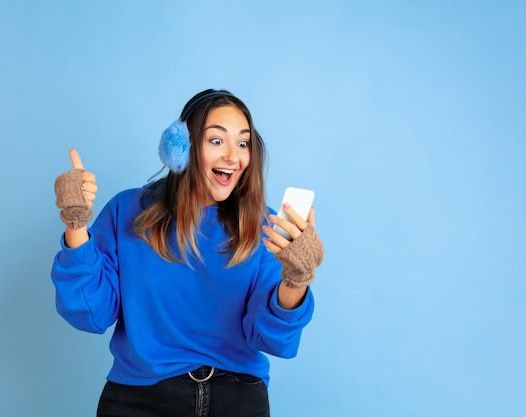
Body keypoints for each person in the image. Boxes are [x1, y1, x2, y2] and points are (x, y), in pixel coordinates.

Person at [51, 89, 324, 417]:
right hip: (138, 399)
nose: (233, 157)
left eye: (243, 143)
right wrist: (76, 223)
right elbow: (91, 314)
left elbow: (270, 337)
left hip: (237, 400)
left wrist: (297, 279)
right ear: (181, 147)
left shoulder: (263, 225)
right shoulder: (127, 210)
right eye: (216, 140)